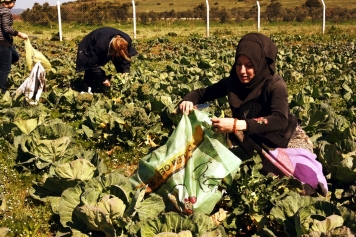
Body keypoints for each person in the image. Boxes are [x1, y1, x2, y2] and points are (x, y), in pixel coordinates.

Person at [179, 33, 328, 196]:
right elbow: (202, 93)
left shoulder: (275, 84)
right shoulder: (233, 82)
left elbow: (279, 119)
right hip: (249, 137)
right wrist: (187, 101)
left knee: (306, 181)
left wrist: (237, 125)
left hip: (283, 138)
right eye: (239, 64)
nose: (242, 71)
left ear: (261, 63)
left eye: (249, 65)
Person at [75, 27, 138, 93]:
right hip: (89, 44)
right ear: (112, 50)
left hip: (107, 37)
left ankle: (120, 88)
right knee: (89, 69)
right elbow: (92, 63)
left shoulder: (126, 40)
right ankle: (86, 89)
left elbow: (125, 57)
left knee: (120, 61)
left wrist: (125, 72)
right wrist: (103, 78)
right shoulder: (100, 46)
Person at [0, 0, 28, 94]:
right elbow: (6, 28)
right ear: (8, 2)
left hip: (4, 42)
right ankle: (2, 92)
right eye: (13, 1)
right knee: (5, 69)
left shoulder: (0, 10)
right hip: (3, 42)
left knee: (15, 56)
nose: (15, 3)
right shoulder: (6, 12)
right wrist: (20, 34)